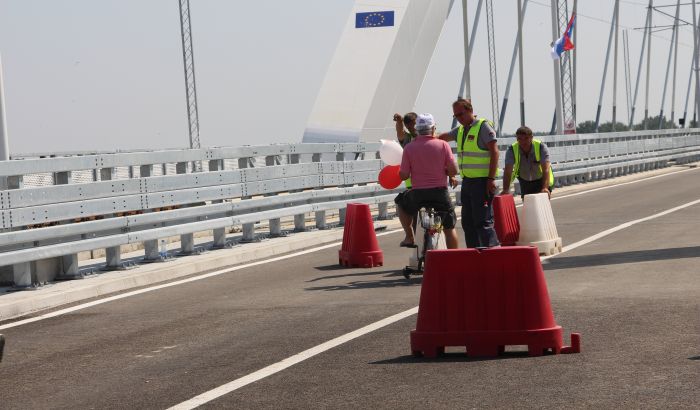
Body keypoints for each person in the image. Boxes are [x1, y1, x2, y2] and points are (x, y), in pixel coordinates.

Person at [438, 98, 500, 248]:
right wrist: (423, 137)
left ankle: (493, 253)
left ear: (470, 110)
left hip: (482, 181)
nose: (459, 118)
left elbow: (495, 152)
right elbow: (442, 137)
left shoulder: (482, 126)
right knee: (467, 222)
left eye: (461, 114)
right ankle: (474, 253)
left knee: (483, 221)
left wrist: (491, 179)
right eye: (456, 116)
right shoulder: (460, 130)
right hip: (468, 182)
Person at [397, 113, 459, 249]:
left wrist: (401, 172)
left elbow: (404, 175)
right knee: (450, 227)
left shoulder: (409, 148)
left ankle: (409, 236)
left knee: (400, 203)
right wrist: (445, 171)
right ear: (433, 128)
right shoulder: (443, 145)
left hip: (418, 194)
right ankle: (454, 259)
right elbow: (454, 170)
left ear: (417, 129)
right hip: (440, 193)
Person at [500, 126, 554, 200]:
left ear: (531, 138)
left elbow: (546, 169)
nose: (523, 142)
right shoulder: (511, 150)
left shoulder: (541, 147)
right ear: (517, 139)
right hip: (525, 182)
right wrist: (505, 190)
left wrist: (545, 188)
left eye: (526, 138)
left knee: (541, 205)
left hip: (541, 180)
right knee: (528, 206)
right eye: (520, 139)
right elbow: (507, 171)